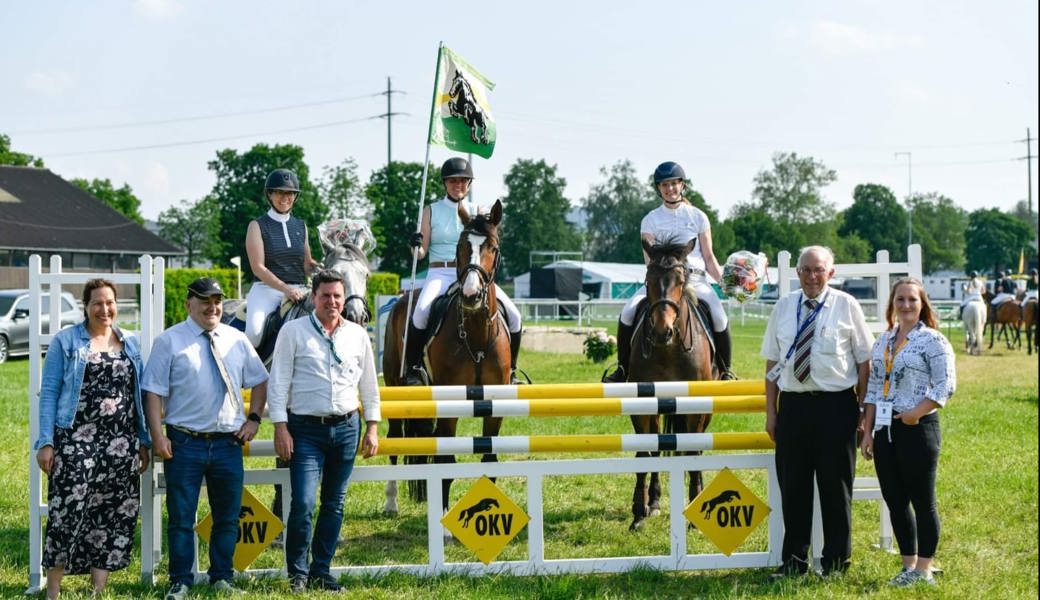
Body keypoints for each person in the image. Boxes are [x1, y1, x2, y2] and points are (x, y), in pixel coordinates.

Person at [142, 277, 269, 600]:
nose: (212, 307)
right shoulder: (169, 341)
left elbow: (260, 380)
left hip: (228, 442)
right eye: (204, 301)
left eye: (216, 301)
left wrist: (253, 418)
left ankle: (220, 578)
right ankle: (180, 580)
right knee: (182, 517)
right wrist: (157, 436)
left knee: (227, 517)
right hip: (185, 442)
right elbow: (153, 392)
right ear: (189, 304)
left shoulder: (236, 339)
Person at [761, 246, 874, 576]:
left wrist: (863, 409)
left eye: (819, 270)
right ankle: (794, 562)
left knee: (835, 488)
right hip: (794, 407)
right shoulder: (783, 307)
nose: (812, 276)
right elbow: (771, 361)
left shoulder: (846, 306)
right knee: (793, 488)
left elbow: (865, 362)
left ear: (831, 273)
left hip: (836, 407)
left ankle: (836, 562)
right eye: (806, 270)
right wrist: (771, 412)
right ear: (797, 273)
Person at [35, 279, 151, 600]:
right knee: (66, 512)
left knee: (114, 512)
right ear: (85, 306)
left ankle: (98, 589)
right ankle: (54, 589)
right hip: (76, 441)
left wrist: (143, 440)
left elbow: (138, 395)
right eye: (97, 303)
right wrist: (46, 442)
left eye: (110, 302)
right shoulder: (67, 341)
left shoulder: (130, 342)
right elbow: (49, 395)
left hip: (122, 443)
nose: (105, 309)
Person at [267, 269, 381, 593]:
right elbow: (278, 384)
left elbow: (370, 386)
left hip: (346, 428)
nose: (332, 302)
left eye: (337, 296)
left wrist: (372, 427)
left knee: (335, 504)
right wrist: (280, 427)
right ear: (313, 297)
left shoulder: (358, 335)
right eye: (325, 296)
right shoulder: (292, 332)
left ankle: (322, 571)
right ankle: (297, 574)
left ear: (344, 299)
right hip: (305, 430)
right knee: (303, 503)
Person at [860, 278, 955, 587]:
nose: (906, 305)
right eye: (900, 299)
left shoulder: (933, 341)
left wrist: (916, 413)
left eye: (912, 299)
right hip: (885, 430)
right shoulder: (883, 341)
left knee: (922, 500)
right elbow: (874, 387)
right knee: (895, 500)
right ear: (892, 305)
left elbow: (946, 385)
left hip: (917, 428)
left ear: (922, 304)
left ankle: (925, 569)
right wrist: (868, 429)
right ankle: (908, 566)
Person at [603, 161, 734, 382]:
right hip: (663, 281)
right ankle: (623, 369)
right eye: (665, 185)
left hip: (697, 280)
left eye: (674, 184)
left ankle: (726, 370)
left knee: (719, 315)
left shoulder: (698, 216)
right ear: (658, 188)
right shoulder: (650, 220)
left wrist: (725, 283)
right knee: (628, 311)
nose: (670, 189)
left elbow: (709, 258)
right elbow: (650, 261)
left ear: (682, 185)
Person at [403, 157, 524, 385]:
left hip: (475, 273)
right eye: (453, 181)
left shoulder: (478, 210)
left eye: (463, 181)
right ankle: (414, 368)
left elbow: (491, 240)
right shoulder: (431, 211)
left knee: (515, 317)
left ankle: (512, 372)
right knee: (420, 314)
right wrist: (415, 245)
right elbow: (420, 254)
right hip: (441, 273)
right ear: (445, 183)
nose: (458, 185)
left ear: (469, 184)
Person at [244, 168, 319, 347]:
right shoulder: (257, 226)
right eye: (279, 192)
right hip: (266, 291)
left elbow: (307, 265)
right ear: (269, 194)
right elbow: (258, 268)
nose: (285, 198)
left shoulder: (301, 226)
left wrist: (324, 268)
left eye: (290, 193)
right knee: (253, 333)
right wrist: (286, 289)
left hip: (300, 290)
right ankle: (249, 372)